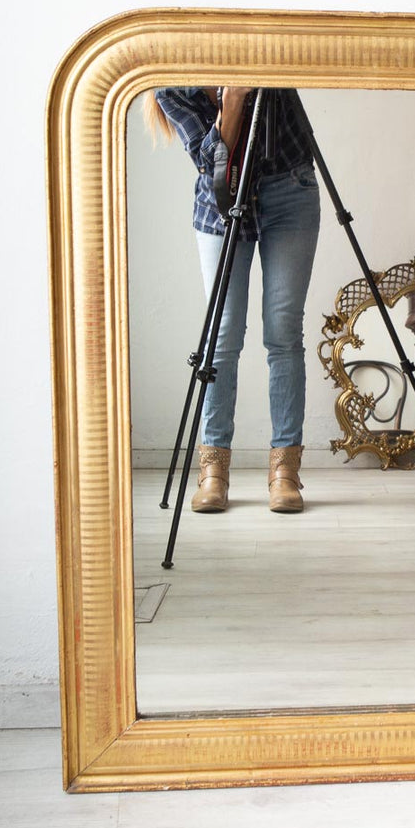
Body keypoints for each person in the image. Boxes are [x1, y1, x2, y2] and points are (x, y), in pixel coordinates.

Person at [146, 86, 320, 514]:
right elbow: (209, 163)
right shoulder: (171, 88)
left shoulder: (257, 48)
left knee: (282, 330)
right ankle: (213, 472)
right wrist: (236, 98)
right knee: (222, 335)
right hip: (221, 202)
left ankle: (284, 472)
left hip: (290, 190)